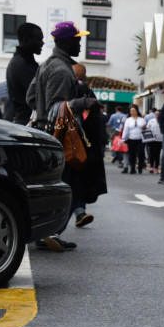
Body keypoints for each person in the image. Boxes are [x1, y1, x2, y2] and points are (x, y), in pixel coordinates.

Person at [27, 21, 98, 251]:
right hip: (59, 137)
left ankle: (48, 233)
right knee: (68, 186)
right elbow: (56, 107)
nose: (80, 43)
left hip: (46, 133)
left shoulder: (48, 64)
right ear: (66, 41)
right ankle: (52, 232)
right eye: (77, 39)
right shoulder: (60, 69)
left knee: (58, 185)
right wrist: (83, 102)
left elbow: (31, 97)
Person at [71, 62, 107, 228]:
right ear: (84, 76)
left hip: (68, 139)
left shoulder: (68, 87)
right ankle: (78, 211)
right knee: (78, 179)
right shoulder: (87, 92)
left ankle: (77, 212)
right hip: (83, 144)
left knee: (72, 178)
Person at [4, 22, 42, 125]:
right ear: (26, 40)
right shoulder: (23, 64)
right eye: (38, 40)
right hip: (27, 121)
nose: (42, 43)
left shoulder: (19, 61)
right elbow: (38, 94)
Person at [120, 105, 146, 174]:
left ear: (137, 111)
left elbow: (146, 129)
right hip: (131, 139)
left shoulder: (142, 120)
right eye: (131, 111)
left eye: (134, 111)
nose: (132, 112)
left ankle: (140, 166)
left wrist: (145, 127)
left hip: (140, 139)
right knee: (132, 154)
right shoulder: (128, 120)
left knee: (141, 154)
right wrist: (123, 138)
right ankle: (132, 168)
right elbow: (126, 130)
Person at [143, 108, 162, 173]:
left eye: (158, 114)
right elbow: (147, 129)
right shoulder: (151, 121)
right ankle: (151, 167)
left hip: (159, 140)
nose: (157, 115)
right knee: (151, 154)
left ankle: (156, 167)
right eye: (156, 114)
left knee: (157, 154)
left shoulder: (162, 122)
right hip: (151, 140)